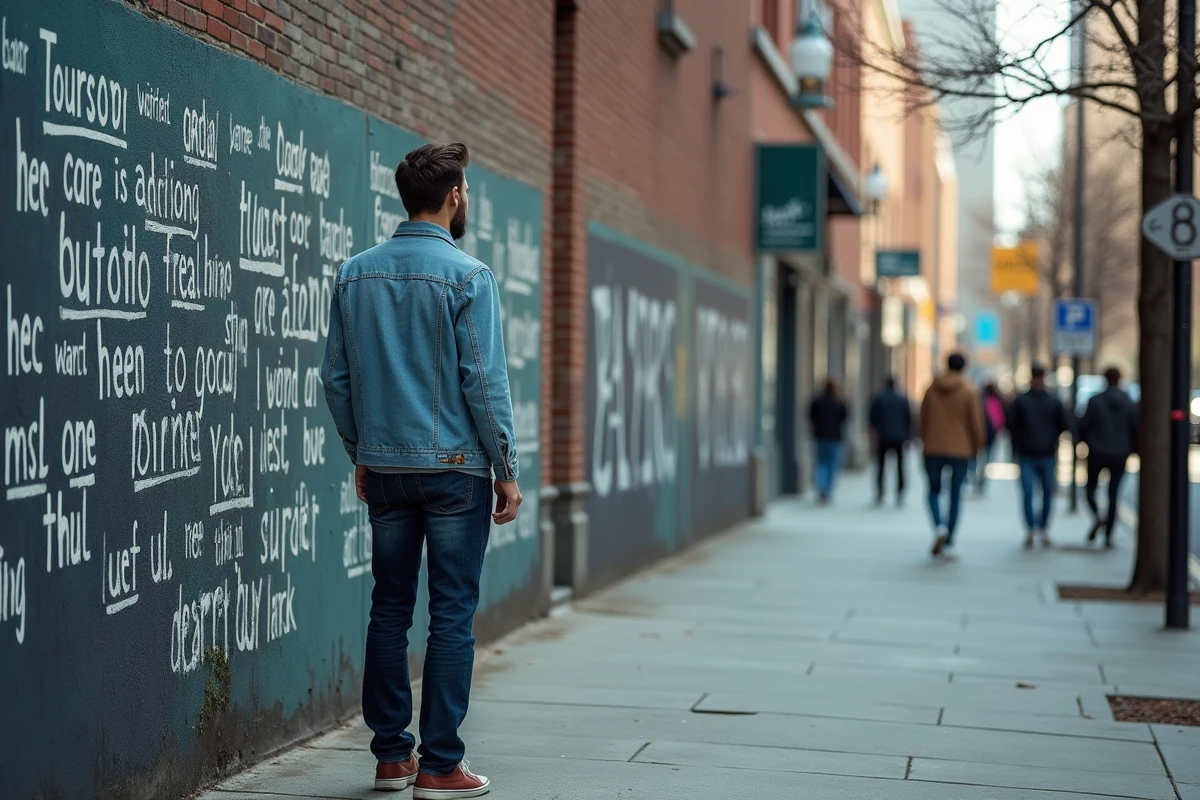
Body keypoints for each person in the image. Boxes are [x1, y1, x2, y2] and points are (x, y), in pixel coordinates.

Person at [323, 142, 521, 799]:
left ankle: (390, 758)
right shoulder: (469, 277)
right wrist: (506, 467)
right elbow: (483, 383)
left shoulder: (354, 274)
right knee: (451, 615)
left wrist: (362, 452)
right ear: (455, 196)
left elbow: (338, 381)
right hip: (456, 470)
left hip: (384, 467)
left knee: (388, 607)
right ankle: (440, 765)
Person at [919, 353, 986, 560]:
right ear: (964, 367)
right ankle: (949, 541)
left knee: (933, 491)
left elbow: (922, 419)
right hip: (960, 449)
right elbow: (976, 423)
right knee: (955, 494)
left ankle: (939, 526)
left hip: (933, 447)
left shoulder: (931, 388)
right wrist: (977, 448)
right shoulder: (968, 391)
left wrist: (926, 440)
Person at [1008, 363, 1072, 550]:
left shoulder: (1026, 400)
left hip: (1034, 453)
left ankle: (1035, 528)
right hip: (1040, 453)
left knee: (1033, 494)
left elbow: (1011, 426)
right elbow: (1065, 425)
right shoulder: (1050, 400)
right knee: (1040, 493)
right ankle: (1038, 528)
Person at [1079, 366, 1138, 548]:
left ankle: (1098, 516)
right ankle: (1108, 536)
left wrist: (1084, 443)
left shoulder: (1095, 401)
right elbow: (1135, 428)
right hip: (1120, 454)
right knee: (1114, 495)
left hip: (1097, 452)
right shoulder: (1128, 401)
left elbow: (1084, 426)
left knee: (1090, 489)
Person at [868, 375, 914, 506]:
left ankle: (880, 492)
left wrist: (873, 435)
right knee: (900, 466)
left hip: (883, 436)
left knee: (881, 466)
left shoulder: (879, 399)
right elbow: (909, 420)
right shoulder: (902, 399)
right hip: (899, 437)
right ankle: (900, 491)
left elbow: (872, 419)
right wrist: (909, 437)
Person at [809, 379, 849, 503]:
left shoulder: (817, 402)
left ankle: (822, 488)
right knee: (832, 464)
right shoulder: (840, 403)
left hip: (821, 436)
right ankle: (828, 490)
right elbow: (845, 418)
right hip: (835, 437)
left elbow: (811, 417)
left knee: (821, 463)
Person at [975, 383, 1007, 493]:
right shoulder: (995, 402)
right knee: (987, 458)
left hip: (979, 435)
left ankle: (978, 476)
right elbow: (999, 419)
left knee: (978, 458)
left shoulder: (979, 400)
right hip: (990, 436)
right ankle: (981, 477)